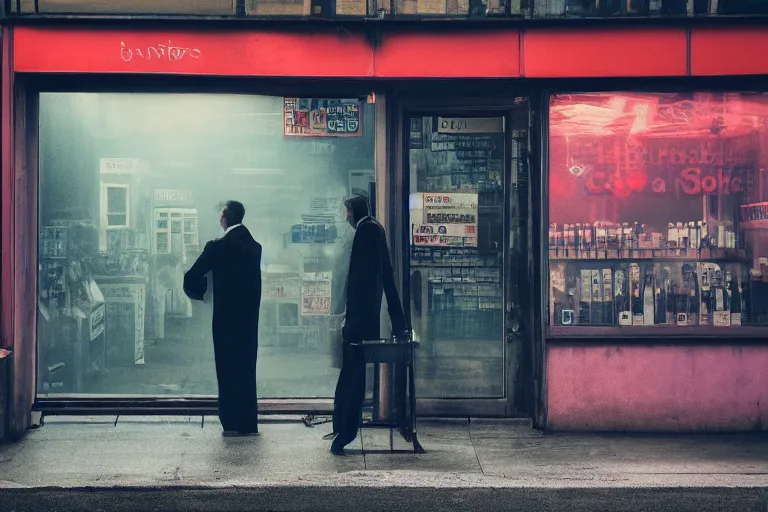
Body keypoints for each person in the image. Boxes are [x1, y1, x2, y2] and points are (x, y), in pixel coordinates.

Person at [330, 195, 406, 455]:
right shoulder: (374, 229)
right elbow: (386, 278)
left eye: (345, 211)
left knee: (351, 378)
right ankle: (342, 428)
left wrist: (349, 321)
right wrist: (399, 322)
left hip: (358, 324)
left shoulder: (365, 232)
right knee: (352, 377)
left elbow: (360, 283)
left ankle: (345, 431)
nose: (345, 217)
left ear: (351, 211)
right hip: (364, 321)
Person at [183, 200, 262, 437]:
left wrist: (201, 293)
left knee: (227, 368)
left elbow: (192, 276)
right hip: (249, 320)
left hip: (226, 318)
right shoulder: (254, 246)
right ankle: (248, 421)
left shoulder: (217, 247)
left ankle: (231, 422)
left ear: (225, 217)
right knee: (247, 368)